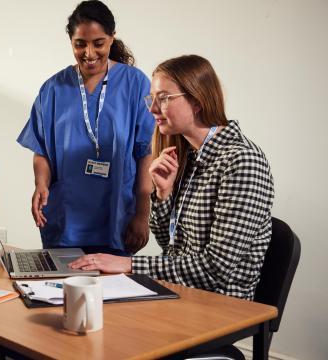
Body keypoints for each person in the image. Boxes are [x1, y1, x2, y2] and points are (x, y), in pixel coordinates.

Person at [70, 54, 275, 301]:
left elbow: (216, 270)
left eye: (164, 98)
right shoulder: (188, 156)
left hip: (220, 308)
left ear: (197, 100)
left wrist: (129, 264)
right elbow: (171, 248)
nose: (153, 109)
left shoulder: (243, 162)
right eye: (152, 98)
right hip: (182, 296)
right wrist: (163, 195)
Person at [17, 0, 155, 256]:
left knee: (112, 293)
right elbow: (42, 150)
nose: (89, 53)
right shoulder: (53, 89)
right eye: (80, 44)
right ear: (71, 41)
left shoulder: (135, 84)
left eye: (98, 43)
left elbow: (146, 152)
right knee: (62, 293)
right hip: (65, 220)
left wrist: (142, 213)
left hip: (116, 218)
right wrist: (41, 184)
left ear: (112, 39)